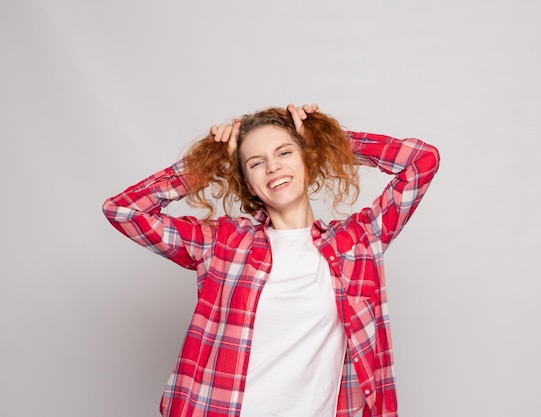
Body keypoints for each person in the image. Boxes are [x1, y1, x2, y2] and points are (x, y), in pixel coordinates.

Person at [102, 103, 440, 417]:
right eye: (255, 162)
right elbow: (123, 210)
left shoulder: (357, 241)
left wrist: (326, 139)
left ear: (307, 159)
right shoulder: (223, 244)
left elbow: (421, 161)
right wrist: (209, 164)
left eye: (285, 151)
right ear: (248, 184)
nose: (273, 166)